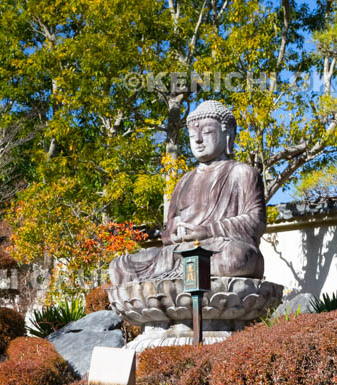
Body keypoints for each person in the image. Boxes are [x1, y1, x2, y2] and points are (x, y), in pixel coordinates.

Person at [109, 100, 266, 285]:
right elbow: (169, 231)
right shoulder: (184, 181)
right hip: (180, 252)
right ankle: (182, 276)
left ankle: (177, 278)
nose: (198, 140)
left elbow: (256, 221)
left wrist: (207, 231)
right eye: (192, 135)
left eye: (207, 132)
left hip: (218, 248)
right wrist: (174, 233)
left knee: (238, 257)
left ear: (227, 133)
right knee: (119, 266)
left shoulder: (242, 172)